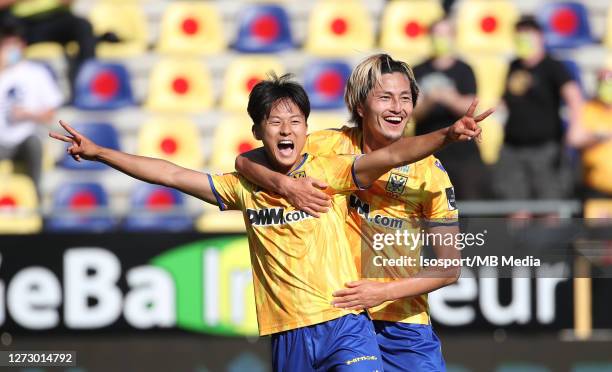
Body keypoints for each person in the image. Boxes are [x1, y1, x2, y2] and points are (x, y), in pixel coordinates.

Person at [50, 73, 483, 371]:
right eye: (275, 121)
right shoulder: (243, 186)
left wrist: (446, 134)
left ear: (308, 129)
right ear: (259, 131)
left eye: (295, 121)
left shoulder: (329, 170)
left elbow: (390, 155)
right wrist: (101, 152)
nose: (286, 129)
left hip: (347, 324)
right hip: (287, 332)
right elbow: (170, 173)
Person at [236, 54, 494, 371]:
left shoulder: (431, 173)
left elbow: (449, 269)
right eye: (385, 97)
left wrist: (382, 291)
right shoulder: (325, 146)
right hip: (337, 318)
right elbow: (247, 161)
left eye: (405, 99)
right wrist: (285, 185)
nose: (397, 108)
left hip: (403, 325)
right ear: (360, 105)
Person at [493, 16, 583, 205]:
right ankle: (518, 236)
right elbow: (506, 100)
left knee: (549, 203)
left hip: (546, 148)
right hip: (513, 147)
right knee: (515, 205)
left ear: (540, 37)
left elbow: (574, 97)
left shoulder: (553, 66)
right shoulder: (514, 65)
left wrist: (575, 128)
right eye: (519, 38)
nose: (523, 42)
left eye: (527, 36)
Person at [413, 17, 492, 200]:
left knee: (469, 203)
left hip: (463, 151)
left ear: (453, 37)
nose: (440, 39)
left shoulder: (464, 69)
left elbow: (470, 106)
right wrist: (430, 100)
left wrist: (448, 97)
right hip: (428, 149)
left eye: (445, 34)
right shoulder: (418, 70)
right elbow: (413, 112)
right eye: (436, 35)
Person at [0, 20, 62, 197]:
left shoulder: (37, 73)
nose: (9, 49)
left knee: (33, 144)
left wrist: (29, 115)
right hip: (2, 140)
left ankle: (36, 199)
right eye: (6, 45)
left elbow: (50, 114)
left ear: (22, 46)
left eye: (14, 45)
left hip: (26, 137)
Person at [0, 0, 97, 89]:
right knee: (9, 34)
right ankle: (10, 87)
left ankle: (87, 81)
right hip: (21, 23)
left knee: (83, 26)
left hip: (56, 18)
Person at [566, 68, 612, 199]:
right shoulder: (588, 108)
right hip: (596, 186)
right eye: (604, 83)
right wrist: (596, 137)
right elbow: (573, 139)